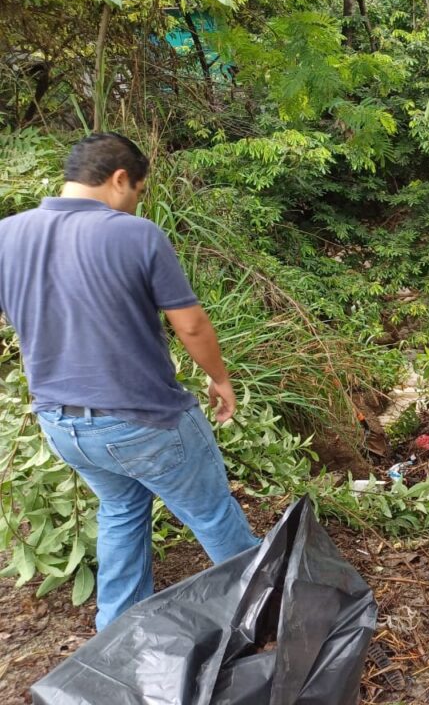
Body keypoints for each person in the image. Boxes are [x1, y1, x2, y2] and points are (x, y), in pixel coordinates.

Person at [0, 133, 261, 630]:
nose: (136, 203)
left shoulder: (6, 235)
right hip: (145, 421)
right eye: (138, 191)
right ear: (121, 179)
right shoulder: (135, 234)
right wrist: (220, 379)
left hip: (61, 424)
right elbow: (191, 325)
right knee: (211, 513)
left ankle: (118, 633)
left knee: (121, 510)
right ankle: (267, 610)